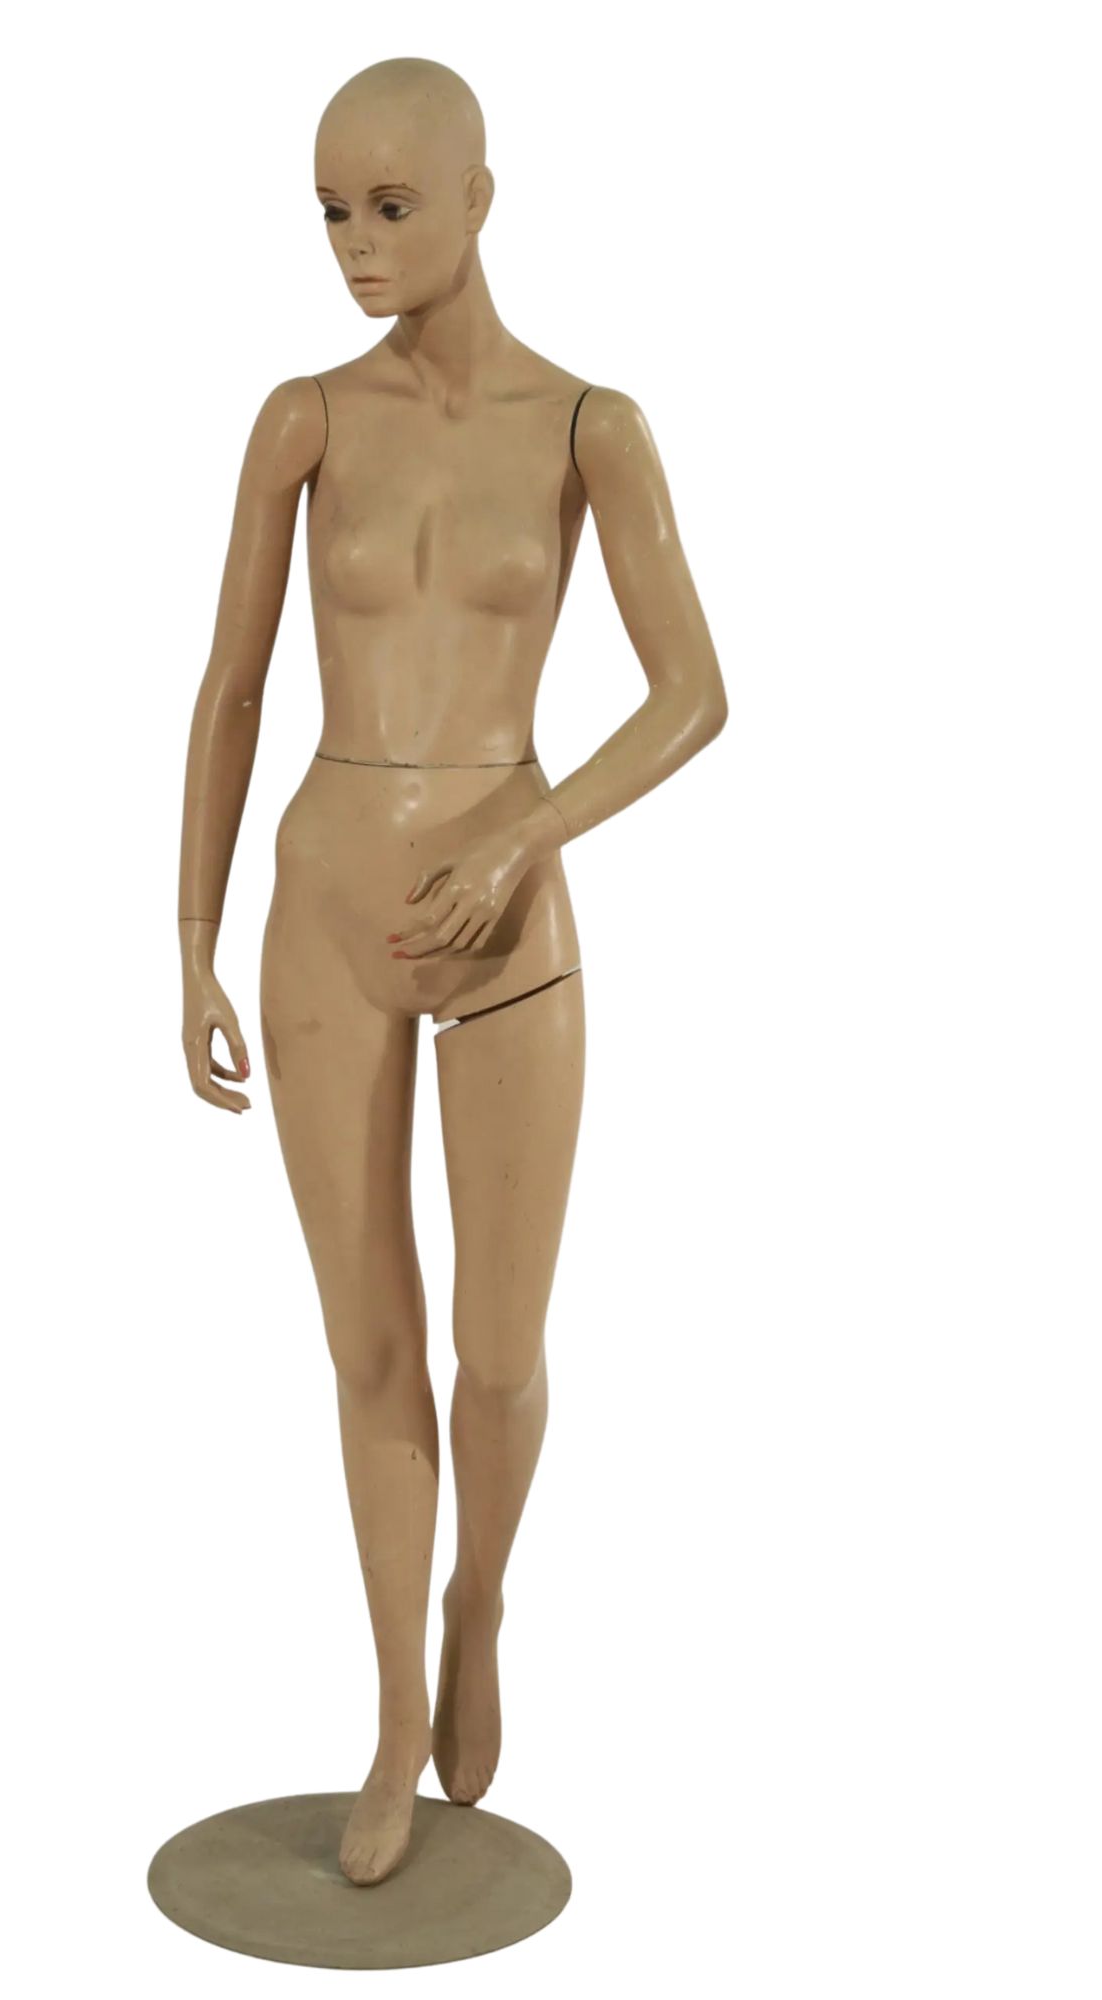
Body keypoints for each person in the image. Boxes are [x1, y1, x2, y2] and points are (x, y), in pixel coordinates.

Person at [177, 56, 727, 1888]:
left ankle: (477, 1599)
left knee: (498, 1355)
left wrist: (523, 835)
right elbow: (233, 689)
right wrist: (190, 937)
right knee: (368, 1346)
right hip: (326, 908)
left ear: (482, 198)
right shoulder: (302, 422)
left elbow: (694, 693)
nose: (354, 244)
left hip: (508, 920)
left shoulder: (589, 428)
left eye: (392, 206)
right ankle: (393, 1719)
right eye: (330, 211)